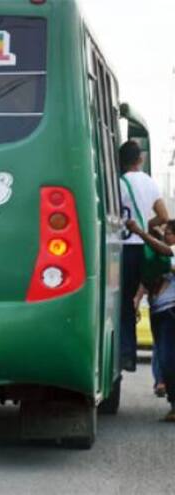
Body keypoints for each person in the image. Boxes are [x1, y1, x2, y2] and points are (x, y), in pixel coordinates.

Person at [120, 140, 169, 372]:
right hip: (145, 250)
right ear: (139, 159)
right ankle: (162, 364)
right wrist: (145, 224)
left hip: (125, 248)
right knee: (155, 301)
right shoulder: (149, 182)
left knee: (126, 302)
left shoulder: (117, 183)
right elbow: (163, 215)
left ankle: (127, 352)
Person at [126, 218, 175, 420]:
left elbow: (165, 251)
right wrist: (136, 299)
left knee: (168, 358)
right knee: (164, 359)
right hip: (158, 312)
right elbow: (146, 280)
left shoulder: (171, 251)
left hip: (170, 311)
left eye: (168, 233)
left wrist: (139, 232)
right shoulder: (159, 256)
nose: (165, 236)